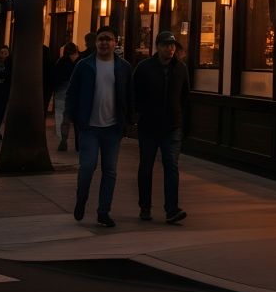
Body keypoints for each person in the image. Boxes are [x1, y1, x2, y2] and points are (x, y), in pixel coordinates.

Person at [66, 26, 132, 227]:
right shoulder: (84, 65)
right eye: (101, 39)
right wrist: (74, 118)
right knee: (87, 167)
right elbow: (72, 92)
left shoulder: (124, 67)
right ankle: (81, 199)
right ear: (96, 43)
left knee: (110, 171)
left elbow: (129, 95)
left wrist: (127, 120)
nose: (104, 43)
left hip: (113, 128)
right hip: (89, 127)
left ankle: (104, 211)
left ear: (115, 43)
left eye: (108, 39)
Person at [134, 30, 190, 224]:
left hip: (172, 126)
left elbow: (185, 96)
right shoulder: (144, 68)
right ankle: (145, 207)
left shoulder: (180, 68)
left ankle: (172, 209)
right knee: (146, 167)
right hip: (148, 126)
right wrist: (138, 115)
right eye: (166, 45)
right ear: (157, 47)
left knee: (171, 166)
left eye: (173, 45)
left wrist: (183, 123)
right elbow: (135, 93)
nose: (170, 49)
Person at [51, 42, 80, 151]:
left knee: (63, 117)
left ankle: (63, 139)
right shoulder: (80, 61)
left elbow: (55, 77)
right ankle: (78, 142)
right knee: (78, 118)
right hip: (76, 91)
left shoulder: (61, 62)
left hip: (62, 91)